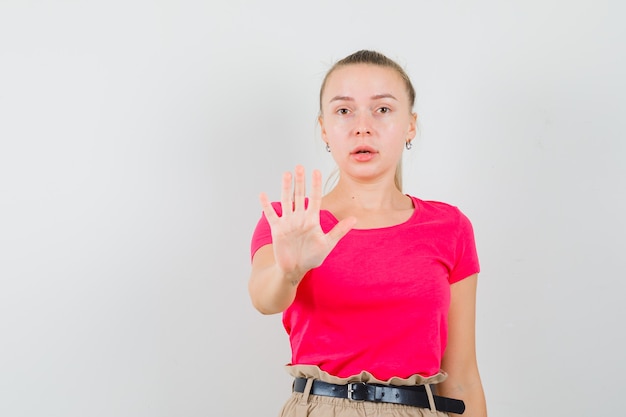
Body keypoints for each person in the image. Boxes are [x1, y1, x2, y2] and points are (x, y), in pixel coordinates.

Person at [248, 50, 487, 417]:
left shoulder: (449, 227)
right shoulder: (291, 222)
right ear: (325, 128)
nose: (363, 126)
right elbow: (265, 299)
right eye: (344, 110)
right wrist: (289, 272)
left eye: (383, 109)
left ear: (410, 125)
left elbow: (462, 377)